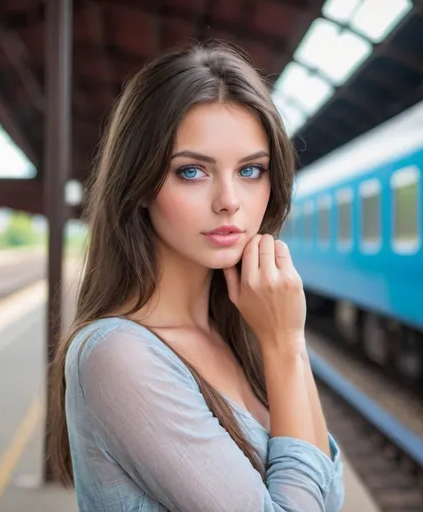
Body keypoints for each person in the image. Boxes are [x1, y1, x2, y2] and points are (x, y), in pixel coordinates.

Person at [48, 42, 345, 511]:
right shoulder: (118, 354)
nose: (229, 200)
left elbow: (327, 494)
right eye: (191, 171)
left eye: (251, 170)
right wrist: (285, 344)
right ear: (140, 183)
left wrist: (285, 339)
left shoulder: (239, 330)